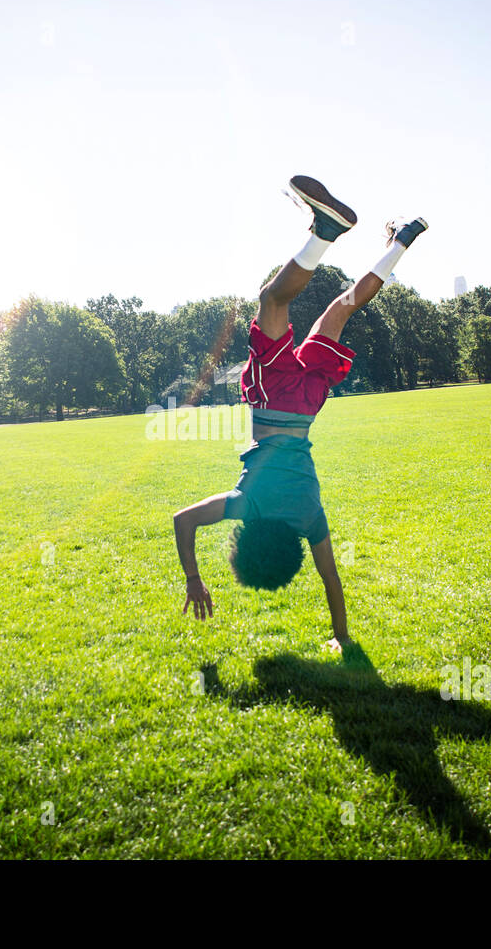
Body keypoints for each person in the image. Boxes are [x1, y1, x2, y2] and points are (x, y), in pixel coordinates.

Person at [171, 175, 428, 653]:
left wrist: (342, 639)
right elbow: (182, 521)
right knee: (272, 300)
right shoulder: (245, 505)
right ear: (245, 546)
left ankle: (400, 243)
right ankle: (324, 232)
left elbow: (331, 580)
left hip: (309, 403)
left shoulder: (310, 519)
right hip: (276, 399)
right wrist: (193, 579)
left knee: (342, 307)